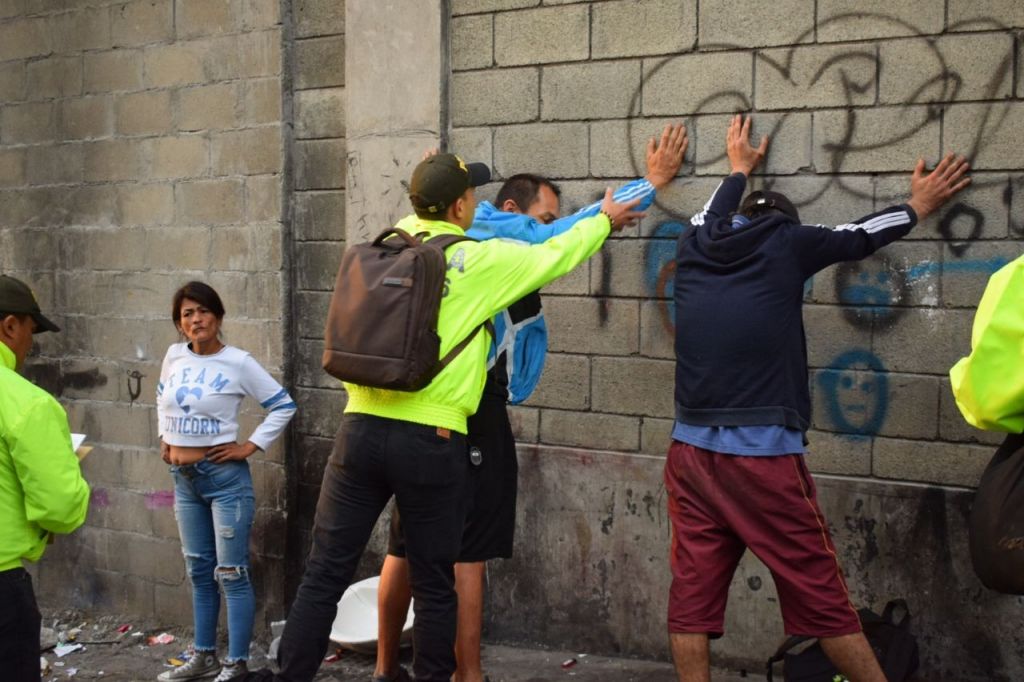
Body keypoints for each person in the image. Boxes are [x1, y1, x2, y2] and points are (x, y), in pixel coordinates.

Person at [245, 152, 645, 682]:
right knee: (435, 582)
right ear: (459, 205)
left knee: (323, 573)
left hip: (358, 431)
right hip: (432, 438)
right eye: (471, 198)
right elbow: (555, 253)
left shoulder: (379, 248)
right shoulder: (477, 259)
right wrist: (604, 220)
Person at [374, 125, 688, 682]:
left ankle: (383, 670)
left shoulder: (423, 233)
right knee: (467, 547)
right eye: (541, 215)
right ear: (483, 205)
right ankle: (467, 673)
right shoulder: (495, 233)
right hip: (469, 408)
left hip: (417, 410)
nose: (543, 226)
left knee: (405, 542)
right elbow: (561, 236)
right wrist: (651, 183)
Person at [665, 115, 970, 682]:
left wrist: (736, 168)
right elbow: (860, 235)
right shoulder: (787, 242)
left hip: (688, 454)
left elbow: (710, 211)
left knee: (692, 595)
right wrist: (917, 205)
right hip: (761, 458)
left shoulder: (694, 242)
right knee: (821, 595)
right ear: (786, 225)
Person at [156, 281, 296, 682]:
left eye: (203, 311)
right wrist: (164, 437)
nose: (196, 319)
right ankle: (204, 658)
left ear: (217, 317)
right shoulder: (173, 356)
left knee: (230, 572)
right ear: (179, 324)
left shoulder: (238, 362)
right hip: (184, 480)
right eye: (187, 314)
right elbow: (161, 395)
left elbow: (283, 405)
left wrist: (248, 446)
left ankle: (236, 664)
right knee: (199, 571)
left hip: (224, 480)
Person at [0, 274, 90, 682]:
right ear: (10, 326)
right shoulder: (25, 402)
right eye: (31, 331)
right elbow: (60, 507)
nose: (29, 345)